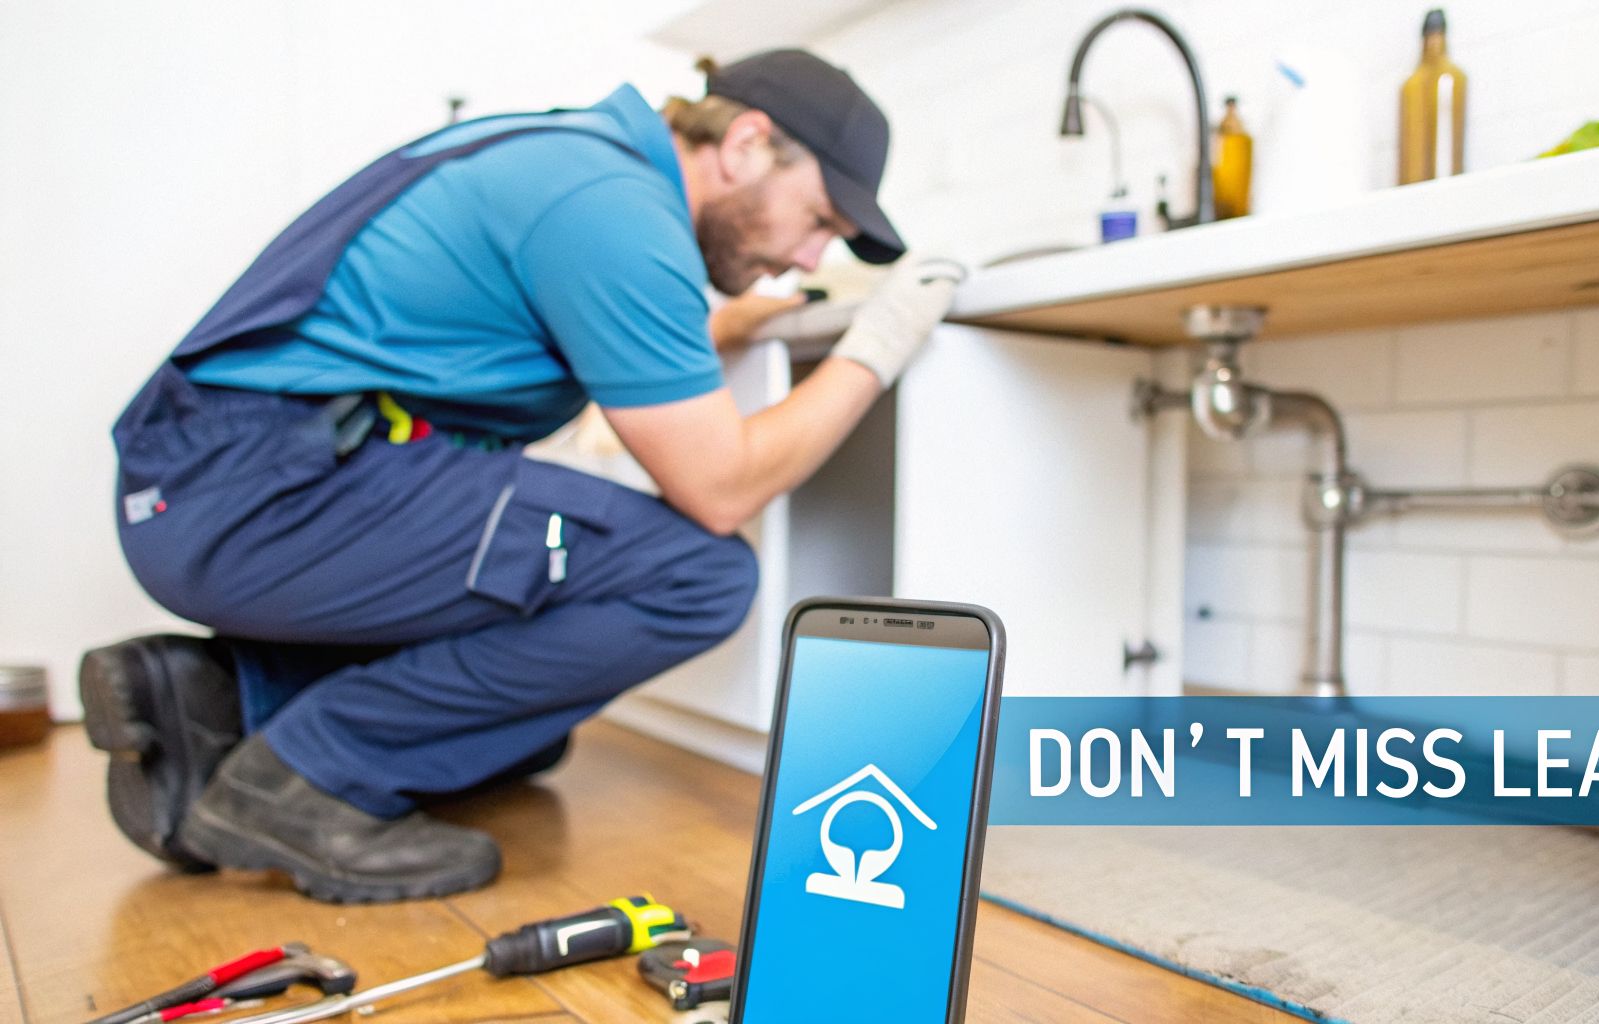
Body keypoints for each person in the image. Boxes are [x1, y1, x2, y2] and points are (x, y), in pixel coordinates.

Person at [79, 48, 961, 903]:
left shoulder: (575, 160)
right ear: (746, 146)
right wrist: (878, 344)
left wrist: (715, 337)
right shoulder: (613, 207)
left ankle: (217, 705)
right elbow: (723, 486)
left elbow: (547, 369)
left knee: (519, 741)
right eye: (818, 221)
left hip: (221, 480)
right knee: (696, 575)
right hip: (263, 489)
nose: (812, 258)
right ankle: (302, 776)